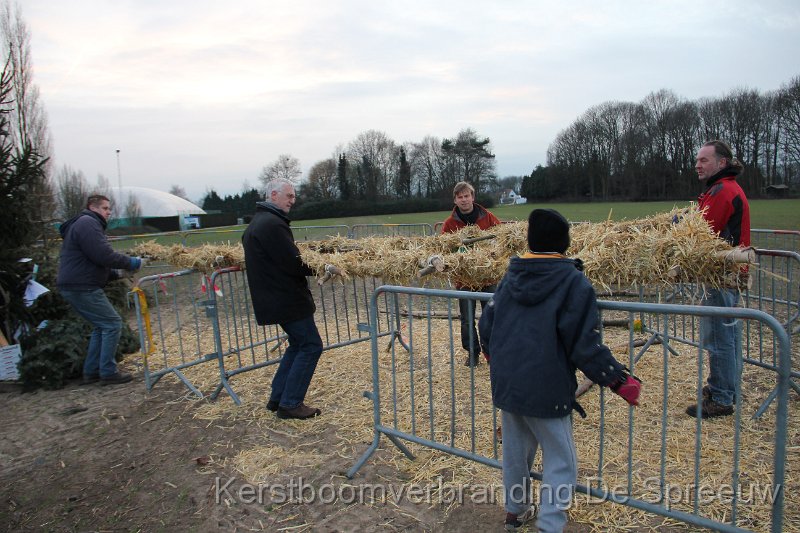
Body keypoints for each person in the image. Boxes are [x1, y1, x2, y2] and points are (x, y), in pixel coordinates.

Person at [478, 208, 641, 532]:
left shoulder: (511, 277)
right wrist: (618, 379)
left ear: (531, 242)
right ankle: (549, 525)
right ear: (564, 244)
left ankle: (516, 510)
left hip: (508, 384)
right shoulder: (572, 282)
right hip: (546, 386)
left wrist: (495, 359)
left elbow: (486, 324)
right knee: (561, 460)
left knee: (515, 452)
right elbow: (583, 344)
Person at [242, 178, 323, 420]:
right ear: (274, 195)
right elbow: (294, 262)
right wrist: (323, 265)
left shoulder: (261, 222)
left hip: (274, 297)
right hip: (285, 298)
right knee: (311, 345)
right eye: (289, 196)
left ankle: (278, 397)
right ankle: (290, 403)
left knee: (298, 344)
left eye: (294, 196)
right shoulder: (272, 225)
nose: (292, 201)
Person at [686, 140, 750, 419]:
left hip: (723, 274)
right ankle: (725, 388)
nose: (697, 165)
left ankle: (722, 397)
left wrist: (680, 227)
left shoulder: (723, 191)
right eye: (697, 160)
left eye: (704, 160)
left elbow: (701, 231)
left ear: (721, 163)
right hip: (725, 273)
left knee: (720, 336)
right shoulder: (720, 188)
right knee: (727, 334)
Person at [57, 194, 143, 385]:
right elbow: (103, 255)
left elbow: (91, 262)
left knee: (101, 326)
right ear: (92, 207)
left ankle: (92, 370)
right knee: (112, 323)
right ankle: (108, 372)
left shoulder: (84, 223)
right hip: (81, 286)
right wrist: (132, 262)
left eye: (109, 209)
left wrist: (117, 274)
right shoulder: (87, 223)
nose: (109, 212)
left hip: (75, 284)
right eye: (105, 208)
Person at [441, 181, 501, 366]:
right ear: (455, 200)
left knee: (490, 317)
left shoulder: (488, 217)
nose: (464, 200)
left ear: (473, 197)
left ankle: (492, 353)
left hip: (487, 276)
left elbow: (501, 240)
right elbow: (444, 248)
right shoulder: (450, 224)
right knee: (467, 319)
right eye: (460, 197)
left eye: (467, 196)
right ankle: (472, 353)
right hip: (464, 279)